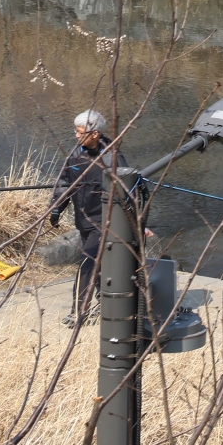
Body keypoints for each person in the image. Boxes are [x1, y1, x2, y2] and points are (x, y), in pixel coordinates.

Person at [49, 109, 139, 326]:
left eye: (80, 132)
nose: (77, 136)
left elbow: (129, 192)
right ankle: (104, 300)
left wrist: (135, 223)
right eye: (76, 131)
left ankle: (79, 312)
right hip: (83, 220)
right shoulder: (75, 154)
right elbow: (64, 183)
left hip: (104, 221)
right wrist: (56, 208)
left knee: (87, 265)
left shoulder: (112, 158)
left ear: (96, 134)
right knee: (98, 265)